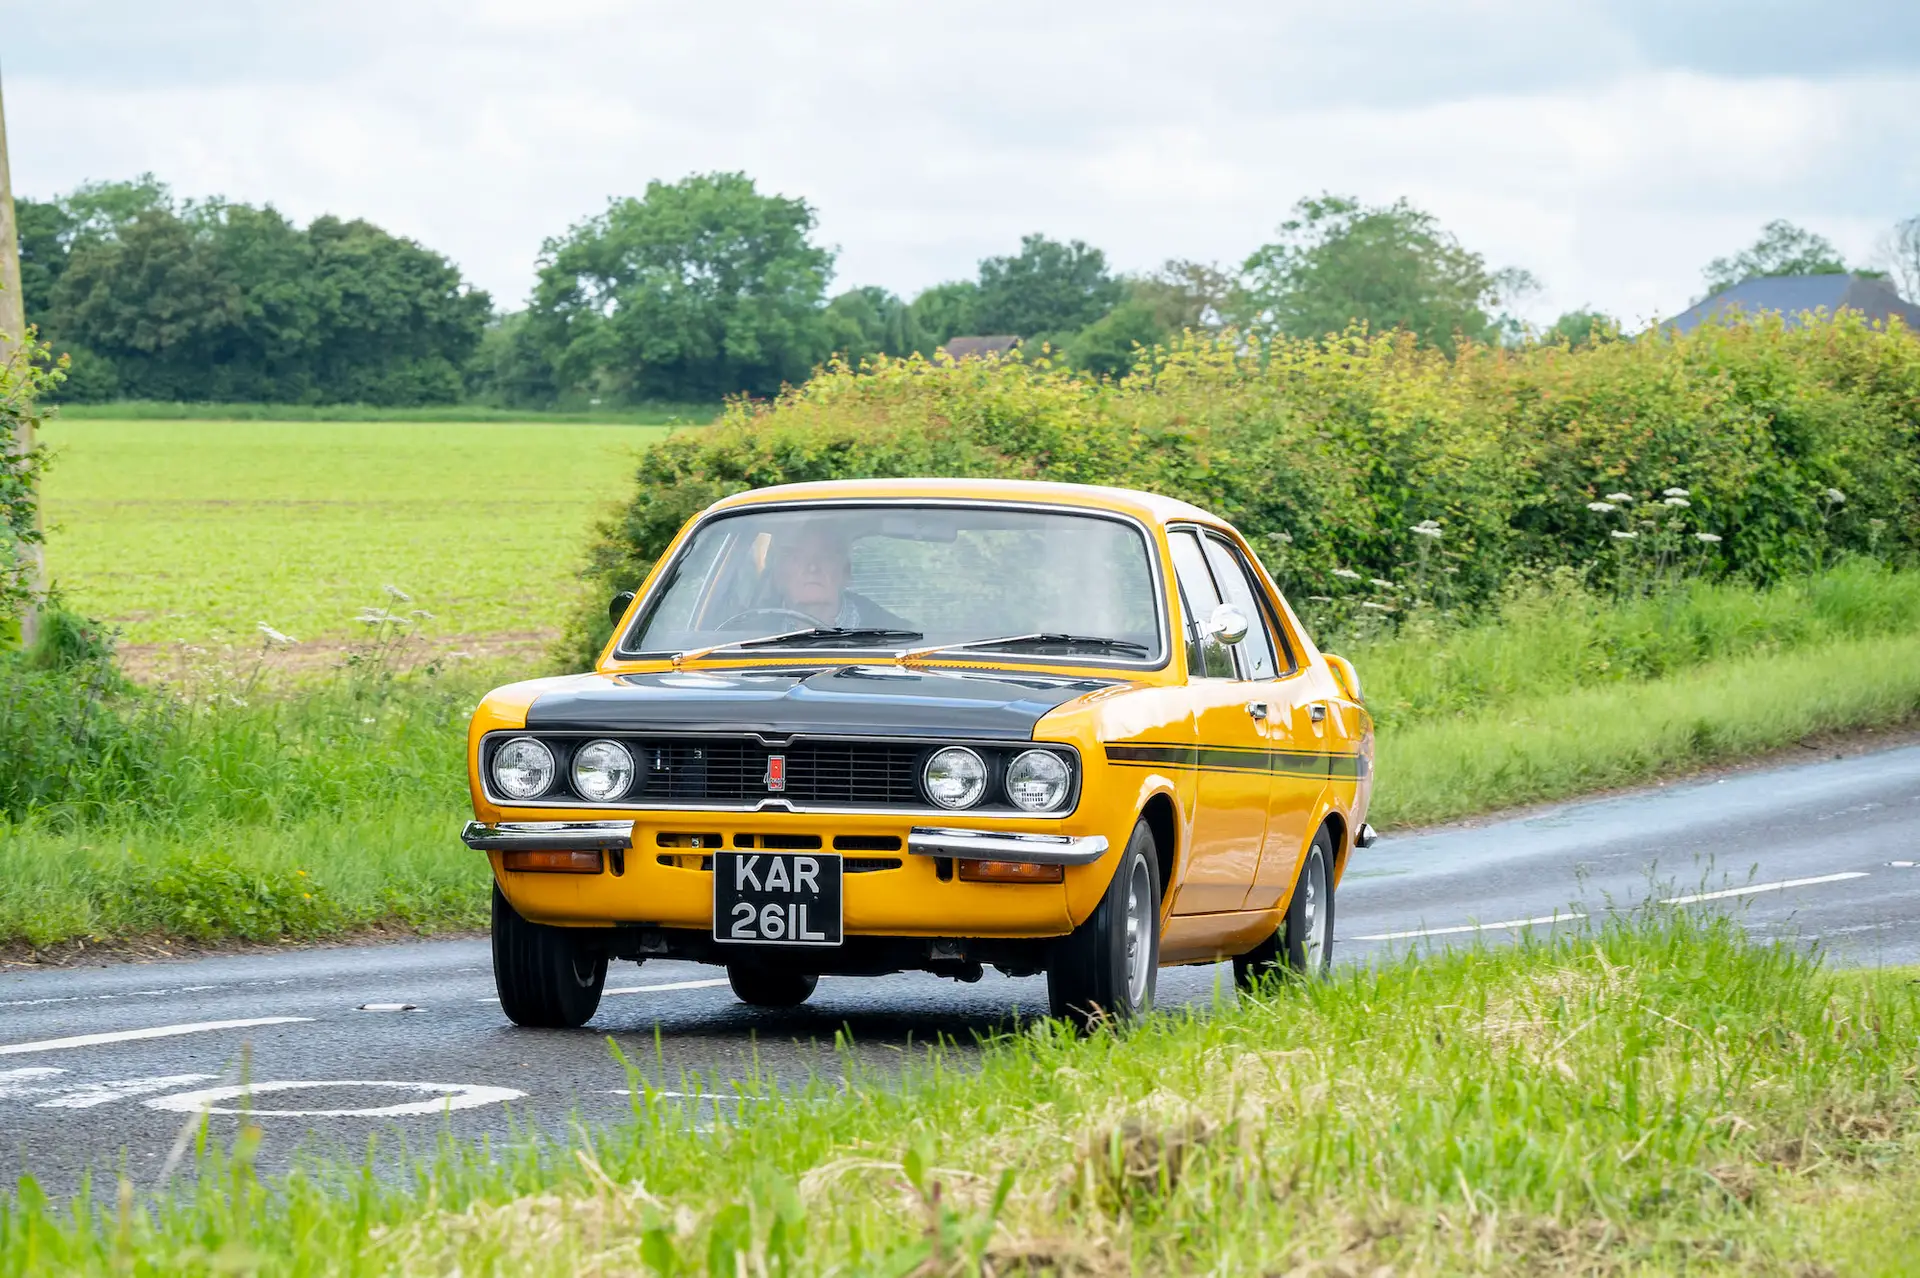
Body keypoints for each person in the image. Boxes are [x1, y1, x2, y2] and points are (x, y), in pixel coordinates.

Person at [765, 522, 913, 629]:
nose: (812, 567)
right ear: (779, 575)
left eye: (825, 556)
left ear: (846, 573)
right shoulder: (749, 633)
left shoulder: (895, 633)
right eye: (797, 557)